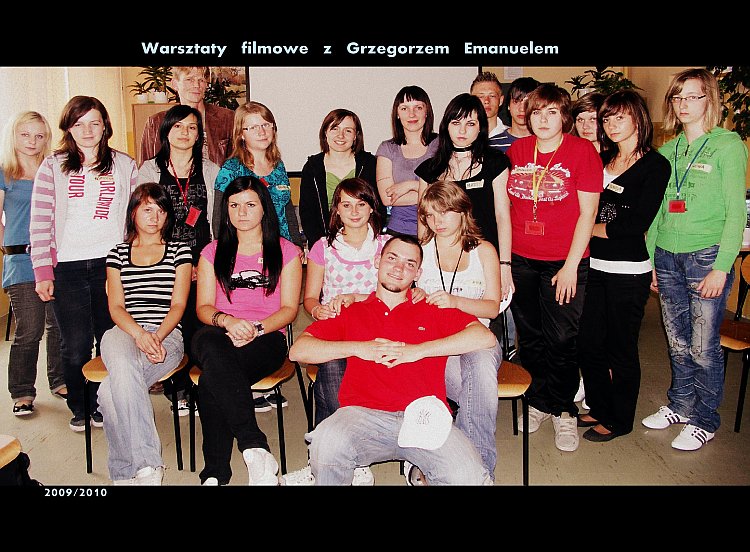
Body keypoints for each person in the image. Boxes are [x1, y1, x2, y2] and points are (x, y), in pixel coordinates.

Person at [288, 234, 495, 485]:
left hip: (424, 417)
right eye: (392, 258)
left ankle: (420, 467)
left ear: (418, 273)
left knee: (469, 477)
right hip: (361, 417)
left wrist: (418, 351)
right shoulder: (351, 311)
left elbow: (484, 336)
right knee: (325, 444)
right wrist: (360, 348)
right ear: (378, 261)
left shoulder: (432, 309)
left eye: (409, 264)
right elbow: (298, 351)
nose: (399, 268)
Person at [642, 68, 748, 451]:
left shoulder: (728, 145)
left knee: (703, 346)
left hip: (706, 256)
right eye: (678, 97)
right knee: (677, 340)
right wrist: (652, 260)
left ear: (710, 100)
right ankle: (681, 404)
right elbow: (657, 212)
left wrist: (722, 267)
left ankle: (705, 419)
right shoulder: (667, 150)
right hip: (667, 256)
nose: (683, 104)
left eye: (693, 96)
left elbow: (736, 213)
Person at [503, 83, 602, 452]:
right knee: (530, 337)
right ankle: (539, 402)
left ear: (564, 117)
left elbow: (588, 214)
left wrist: (572, 265)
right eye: (536, 112)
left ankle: (564, 409)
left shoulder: (581, 152)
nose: (542, 120)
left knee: (561, 338)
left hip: (564, 262)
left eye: (551, 112)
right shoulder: (517, 150)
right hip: (522, 258)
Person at [30, 96, 138, 432]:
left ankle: (104, 403)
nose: (87, 130)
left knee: (110, 339)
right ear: (68, 128)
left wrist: (133, 264)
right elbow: (40, 221)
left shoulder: (125, 165)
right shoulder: (52, 166)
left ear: (106, 126)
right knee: (75, 345)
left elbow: (134, 219)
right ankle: (80, 406)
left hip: (112, 265)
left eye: (94, 123)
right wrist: (42, 271)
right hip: (67, 267)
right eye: (79, 124)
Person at [192, 175, 302, 485]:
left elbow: (289, 309)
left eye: (250, 205)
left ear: (264, 208)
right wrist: (228, 321)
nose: (241, 212)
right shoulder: (212, 252)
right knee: (209, 342)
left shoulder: (286, 252)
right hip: (219, 333)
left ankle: (215, 474)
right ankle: (254, 447)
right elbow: (203, 308)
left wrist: (256, 328)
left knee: (212, 377)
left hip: (266, 337)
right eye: (234, 205)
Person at [281, 177, 390, 486]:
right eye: (346, 205)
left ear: (372, 208)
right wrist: (318, 310)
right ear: (336, 210)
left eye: (361, 204)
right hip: (336, 327)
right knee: (330, 368)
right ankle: (349, 459)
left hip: (376, 327)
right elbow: (310, 299)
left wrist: (356, 298)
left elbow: (396, 295)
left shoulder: (386, 246)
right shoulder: (323, 248)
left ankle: (325, 460)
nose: (354, 212)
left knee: (328, 383)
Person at [576, 90, 670, 442]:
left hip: (628, 272)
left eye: (620, 117)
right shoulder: (602, 158)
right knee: (589, 343)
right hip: (594, 266)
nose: (611, 125)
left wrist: (587, 229)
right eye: (607, 118)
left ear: (638, 118)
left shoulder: (655, 165)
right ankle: (599, 406)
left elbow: (634, 224)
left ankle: (620, 419)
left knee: (621, 348)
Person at [98, 183, 192, 485]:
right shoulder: (117, 253)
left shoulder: (179, 251)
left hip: (167, 335)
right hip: (124, 332)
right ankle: (148, 464)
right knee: (122, 368)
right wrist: (139, 335)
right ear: (133, 212)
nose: (154, 217)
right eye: (147, 209)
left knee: (108, 392)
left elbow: (178, 305)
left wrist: (157, 336)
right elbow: (116, 306)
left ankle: (124, 472)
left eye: (161, 210)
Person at [415, 180, 503, 480]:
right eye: (430, 215)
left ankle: (461, 470)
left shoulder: (484, 250)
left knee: (480, 371)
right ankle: (478, 474)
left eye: (445, 212)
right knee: (477, 393)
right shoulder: (421, 251)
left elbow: (492, 308)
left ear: (463, 211)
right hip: (438, 344)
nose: (437, 221)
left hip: (479, 339)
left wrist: (455, 302)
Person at [138, 104, 220, 414]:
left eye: (192, 127)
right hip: (164, 260)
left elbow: (216, 221)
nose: (185, 133)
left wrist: (205, 263)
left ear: (199, 135)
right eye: (178, 126)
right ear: (166, 132)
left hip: (202, 261)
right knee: (171, 323)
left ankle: (202, 385)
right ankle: (178, 387)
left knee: (199, 324)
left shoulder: (210, 170)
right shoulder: (149, 170)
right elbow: (141, 218)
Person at [1, 111, 64, 416]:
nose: (32, 141)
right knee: (30, 328)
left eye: (39, 136)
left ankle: (60, 380)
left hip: (54, 258)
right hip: (21, 261)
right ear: (14, 135)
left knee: (59, 325)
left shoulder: (53, 170)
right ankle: (22, 391)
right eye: (25, 134)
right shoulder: (5, 173)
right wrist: (9, 246)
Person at [415, 92, 510, 253]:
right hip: (444, 255)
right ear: (446, 126)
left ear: (480, 127)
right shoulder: (429, 170)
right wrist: (424, 258)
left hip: (485, 254)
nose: (462, 130)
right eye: (456, 122)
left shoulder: (496, 163)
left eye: (470, 124)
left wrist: (505, 262)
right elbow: (423, 221)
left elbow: (502, 217)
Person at [214, 101, 304, 255]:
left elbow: (287, 209)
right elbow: (219, 217)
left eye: (266, 125)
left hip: (283, 248)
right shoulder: (231, 169)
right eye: (253, 127)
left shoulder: (278, 165)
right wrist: (225, 251)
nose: (262, 132)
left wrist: (296, 244)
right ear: (241, 134)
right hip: (246, 251)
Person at [569, 91, 606, 406]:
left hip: (606, 248)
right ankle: (584, 378)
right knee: (580, 321)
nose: (585, 125)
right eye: (580, 119)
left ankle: (599, 383)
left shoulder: (614, 157)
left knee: (600, 324)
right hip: (575, 247)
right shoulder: (573, 154)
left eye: (592, 119)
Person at [299, 108, 379, 249]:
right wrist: (322, 246)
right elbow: (307, 213)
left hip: (364, 244)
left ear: (356, 136)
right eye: (335, 129)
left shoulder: (370, 164)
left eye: (348, 130)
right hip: (324, 243)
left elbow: (378, 207)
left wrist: (367, 242)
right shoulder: (312, 167)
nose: (340, 135)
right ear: (325, 132)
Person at [375, 85, 439, 238]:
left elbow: (449, 190)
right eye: (404, 108)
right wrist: (429, 190)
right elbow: (387, 198)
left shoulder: (441, 144)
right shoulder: (387, 148)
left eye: (418, 107)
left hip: (438, 229)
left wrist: (410, 185)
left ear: (427, 111)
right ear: (397, 114)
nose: (412, 114)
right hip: (399, 231)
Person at [139, 66, 234, 167]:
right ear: (175, 84)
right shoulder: (156, 122)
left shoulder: (227, 118)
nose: (196, 85)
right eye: (189, 79)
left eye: (201, 80)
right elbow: (146, 169)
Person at [494, 77, 541, 152]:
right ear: (508, 105)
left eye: (527, 103)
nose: (521, 109)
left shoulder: (546, 143)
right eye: (516, 101)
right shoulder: (493, 145)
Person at [470, 71, 508, 148]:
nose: (487, 101)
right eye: (481, 96)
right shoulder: (463, 136)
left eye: (492, 96)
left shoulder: (511, 137)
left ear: (501, 100)